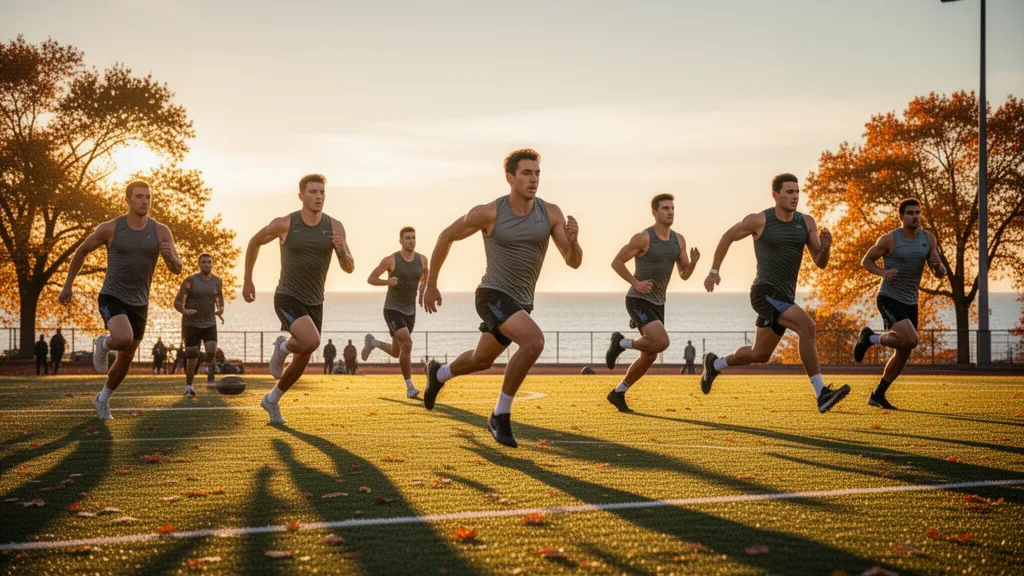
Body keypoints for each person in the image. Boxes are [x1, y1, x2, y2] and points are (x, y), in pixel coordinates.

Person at [421, 149, 583, 447]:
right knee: (534, 341)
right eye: (526, 173)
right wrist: (431, 283)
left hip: (521, 302)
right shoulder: (489, 212)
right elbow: (446, 236)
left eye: (537, 173)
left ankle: (439, 373)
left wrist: (573, 242)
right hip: (492, 294)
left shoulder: (551, 213)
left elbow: (573, 261)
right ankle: (500, 415)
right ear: (510, 178)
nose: (533, 179)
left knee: (481, 360)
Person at [700, 173, 850, 414]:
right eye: (789, 192)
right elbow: (728, 236)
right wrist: (714, 271)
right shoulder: (759, 220)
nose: (795, 197)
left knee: (760, 353)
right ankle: (822, 393)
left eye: (797, 192)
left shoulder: (806, 222)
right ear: (776, 195)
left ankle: (715, 363)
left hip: (785, 297)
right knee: (807, 327)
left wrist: (827, 248)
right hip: (764, 292)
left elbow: (820, 262)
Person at [59, 180, 182, 420]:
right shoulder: (111, 228)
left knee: (125, 361)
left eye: (148, 197)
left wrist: (172, 260)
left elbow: (176, 268)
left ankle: (102, 399)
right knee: (123, 339)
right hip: (112, 295)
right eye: (139, 197)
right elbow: (82, 251)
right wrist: (68, 285)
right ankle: (103, 344)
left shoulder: (161, 231)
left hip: (140, 302)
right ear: (127, 200)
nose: (144, 201)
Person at [243, 174, 354, 423]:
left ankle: (271, 400)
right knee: (312, 340)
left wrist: (342, 250)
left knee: (304, 354)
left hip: (315, 301)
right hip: (287, 295)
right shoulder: (285, 224)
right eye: (313, 192)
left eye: (322, 192)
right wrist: (248, 279)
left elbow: (349, 267)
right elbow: (254, 241)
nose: (319, 197)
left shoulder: (335, 226)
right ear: (301, 196)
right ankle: (282, 347)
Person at [604, 194, 699, 412]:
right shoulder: (643, 238)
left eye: (673, 208)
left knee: (650, 355)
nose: (670, 212)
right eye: (665, 208)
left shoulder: (679, 240)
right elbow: (616, 262)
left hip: (658, 302)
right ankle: (621, 343)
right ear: (655, 212)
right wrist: (635, 283)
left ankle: (618, 392)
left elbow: (684, 274)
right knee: (662, 342)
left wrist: (693, 263)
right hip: (638, 299)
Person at [854, 198, 946, 410]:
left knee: (904, 350)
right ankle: (871, 338)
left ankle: (877, 395)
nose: (916, 216)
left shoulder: (928, 239)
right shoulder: (889, 240)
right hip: (889, 297)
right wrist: (883, 272)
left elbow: (939, 273)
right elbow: (866, 261)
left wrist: (938, 265)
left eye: (918, 213)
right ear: (902, 217)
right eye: (911, 213)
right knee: (911, 339)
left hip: (910, 301)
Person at [362, 226, 429, 398]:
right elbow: (371, 278)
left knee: (396, 351)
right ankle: (410, 387)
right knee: (407, 343)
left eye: (413, 238)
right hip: (392, 309)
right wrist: (387, 282)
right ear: (401, 241)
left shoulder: (422, 260)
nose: (411, 241)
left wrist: (422, 291)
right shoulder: (391, 260)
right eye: (407, 238)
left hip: (410, 311)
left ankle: (373, 343)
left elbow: (425, 275)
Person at [174, 253, 225, 397]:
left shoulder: (217, 281)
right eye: (204, 262)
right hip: (191, 324)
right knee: (191, 358)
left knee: (211, 352)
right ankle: (189, 387)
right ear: (199, 264)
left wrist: (221, 309)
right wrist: (184, 310)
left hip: (209, 322)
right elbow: (177, 302)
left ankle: (200, 357)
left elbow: (219, 297)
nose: (207, 265)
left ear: (212, 264)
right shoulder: (190, 281)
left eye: (209, 262)